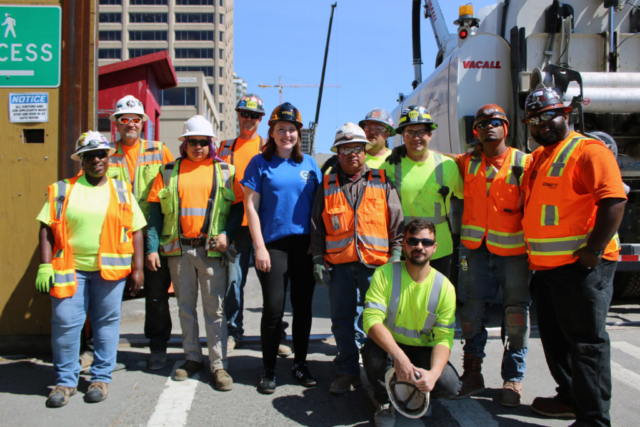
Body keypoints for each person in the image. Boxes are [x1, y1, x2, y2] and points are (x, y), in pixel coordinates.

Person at [520, 88, 626, 427]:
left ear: (566, 113)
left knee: (587, 346)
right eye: (535, 119)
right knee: (556, 342)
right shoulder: (538, 158)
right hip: (548, 270)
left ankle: (594, 419)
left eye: (549, 115)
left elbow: (614, 202)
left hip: (582, 270)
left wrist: (592, 253)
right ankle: (569, 398)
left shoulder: (588, 151)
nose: (542, 124)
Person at [36, 132, 146, 407]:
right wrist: (44, 265)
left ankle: (100, 378)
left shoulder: (121, 190)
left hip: (110, 271)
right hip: (69, 268)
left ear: (108, 159)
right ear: (81, 161)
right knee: (65, 323)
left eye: (101, 155)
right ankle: (65, 382)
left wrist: (138, 269)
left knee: (106, 325)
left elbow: (136, 231)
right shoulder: (63, 189)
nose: (97, 159)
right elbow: (46, 228)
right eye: (90, 155)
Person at [146, 115, 244, 391]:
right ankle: (192, 357)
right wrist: (152, 247)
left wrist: (226, 233)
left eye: (203, 142)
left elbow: (238, 207)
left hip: (211, 252)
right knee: (185, 308)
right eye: (193, 142)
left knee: (215, 310)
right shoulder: (168, 172)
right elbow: (154, 212)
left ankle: (218, 364)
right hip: (179, 251)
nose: (198, 146)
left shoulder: (224, 171)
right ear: (184, 143)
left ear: (210, 143)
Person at [310, 122, 404, 395]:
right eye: (345, 149)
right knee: (341, 319)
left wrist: (395, 258)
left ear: (365, 151)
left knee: (378, 320)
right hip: (339, 266)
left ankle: (380, 371)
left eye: (358, 149)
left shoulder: (382, 180)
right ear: (337, 153)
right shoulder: (326, 185)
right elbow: (317, 225)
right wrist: (317, 258)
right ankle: (347, 371)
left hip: (377, 267)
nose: (352, 154)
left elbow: (396, 224)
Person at [452, 104, 532, 406]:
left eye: (496, 122)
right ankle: (472, 372)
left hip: (514, 252)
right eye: (483, 123)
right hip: (475, 250)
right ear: (476, 131)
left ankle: (513, 379)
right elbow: (439, 160)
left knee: (515, 314)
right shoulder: (467, 162)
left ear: (506, 127)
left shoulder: (524, 163)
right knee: (472, 313)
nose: (489, 127)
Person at [242, 102, 321, 394]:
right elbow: (251, 206)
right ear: (272, 133)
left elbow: (320, 206)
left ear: (299, 133)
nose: (287, 134)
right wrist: (259, 247)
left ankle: (300, 363)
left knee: (302, 308)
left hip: (304, 246)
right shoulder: (259, 163)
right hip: (273, 245)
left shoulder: (310, 164)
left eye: (292, 129)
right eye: (281, 129)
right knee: (274, 308)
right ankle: (269, 368)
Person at [362, 219, 461, 427]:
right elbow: (371, 321)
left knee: (450, 384)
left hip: (422, 351)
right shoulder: (384, 274)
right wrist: (399, 357)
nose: (419, 247)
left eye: (426, 242)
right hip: (389, 348)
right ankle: (383, 401)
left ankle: (418, 390)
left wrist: (433, 375)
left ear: (435, 247)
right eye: (413, 241)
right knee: (373, 356)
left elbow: (444, 338)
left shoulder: (445, 288)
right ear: (404, 244)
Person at [219, 94, 292, 357]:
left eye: (254, 115)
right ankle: (232, 332)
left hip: (265, 223)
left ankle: (277, 333)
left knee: (272, 282)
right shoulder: (224, 147)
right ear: (238, 115)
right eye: (244, 113)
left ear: (262, 120)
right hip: (236, 223)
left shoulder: (268, 146)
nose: (248, 119)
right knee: (233, 281)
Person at [107, 95, 175, 371]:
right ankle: (99, 348)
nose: (130, 125)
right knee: (107, 294)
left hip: (152, 234)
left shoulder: (159, 151)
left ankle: (158, 347)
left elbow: (174, 191)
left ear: (143, 123)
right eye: (124, 120)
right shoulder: (106, 154)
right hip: (116, 235)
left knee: (156, 293)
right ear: (116, 124)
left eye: (135, 120)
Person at [383, 106, 464, 277]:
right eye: (410, 133)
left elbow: (468, 196)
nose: (416, 137)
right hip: (405, 249)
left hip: (439, 249)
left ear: (430, 134)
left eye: (421, 132)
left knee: (437, 299)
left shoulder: (447, 165)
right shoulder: (390, 166)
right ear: (402, 136)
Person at [320, 108, 396, 175]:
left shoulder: (397, 159)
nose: (372, 132)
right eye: (368, 128)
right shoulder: (346, 159)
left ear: (387, 134)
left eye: (378, 129)